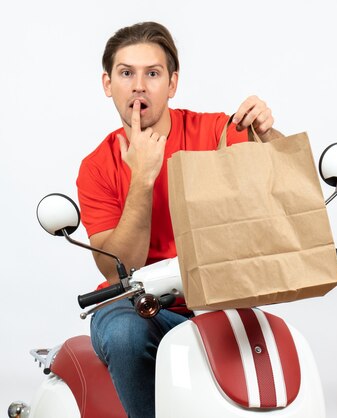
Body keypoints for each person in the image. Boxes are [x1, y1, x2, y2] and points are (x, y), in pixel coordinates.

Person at [76, 21, 281, 418]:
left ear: (172, 84)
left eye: (152, 73)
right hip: (135, 307)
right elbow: (121, 269)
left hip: (216, 300)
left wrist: (269, 135)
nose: (139, 86)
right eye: (126, 73)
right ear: (107, 84)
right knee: (123, 334)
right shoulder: (96, 168)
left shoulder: (213, 132)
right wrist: (142, 179)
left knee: (267, 338)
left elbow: (281, 182)